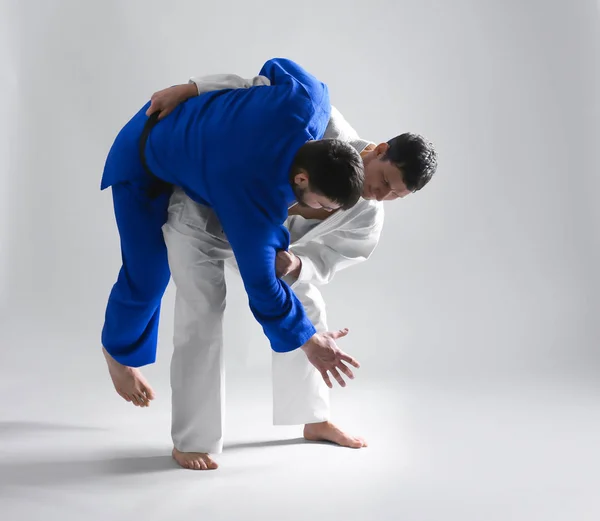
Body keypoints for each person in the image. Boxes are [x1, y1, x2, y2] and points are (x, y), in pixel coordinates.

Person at [122, 70, 437, 470]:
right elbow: (256, 87)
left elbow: (335, 257)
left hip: (264, 247)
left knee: (308, 306)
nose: (383, 195)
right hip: (203, 210)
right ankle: (191, 440)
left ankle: (314, 418)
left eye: (397, 195)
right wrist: (191, 88)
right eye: (386, 180)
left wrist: (299, 264)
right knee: (201, 310)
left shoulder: (369, 215)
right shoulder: (324, 125)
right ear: (379, 149)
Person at [100, 59, 366, 456]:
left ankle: (312, 415)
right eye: (324, 204)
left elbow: (280, 66)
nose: (325, 214)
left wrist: (193, 88)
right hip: (143, 156)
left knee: (292, 284)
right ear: (301, 179)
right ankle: (117, 354)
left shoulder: (307, 105)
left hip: (196, 154)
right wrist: (307, 342)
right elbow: (262, 287)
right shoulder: (254, 201)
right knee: (147, 278)